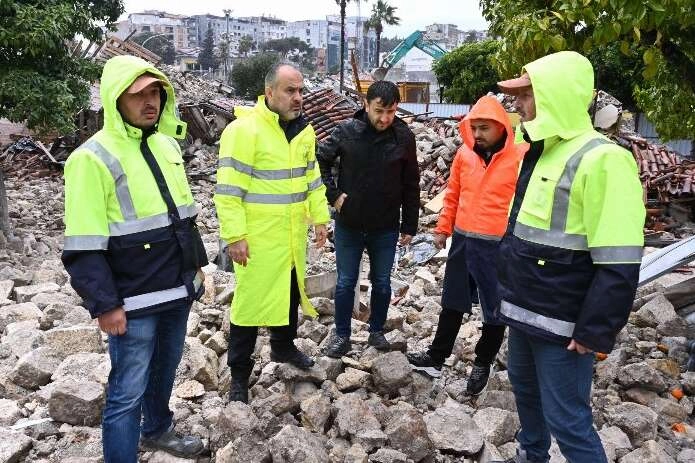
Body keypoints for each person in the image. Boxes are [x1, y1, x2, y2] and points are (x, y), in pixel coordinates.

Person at [492, 51, 645, 463]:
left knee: (568, 421)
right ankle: (532, 456)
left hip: (563, 325)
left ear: (554, 95)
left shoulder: (603, 160)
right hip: (525, 311)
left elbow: (620, 259)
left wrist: (595, 329)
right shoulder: (541, 151)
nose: (518, 104)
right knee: (525, 396)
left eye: (526, 94)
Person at [62, 55, 208, 462]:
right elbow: (83, 244)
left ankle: (158, 430)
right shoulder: (91, 159)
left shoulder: (165, 145)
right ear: (115, 100)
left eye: (155, 92)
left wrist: (196, 270)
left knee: (165, 371)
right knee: (127, 391)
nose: (150, 102)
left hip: (176, 288)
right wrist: (105, 304)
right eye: (138, 95)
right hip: (133, 300)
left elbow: (184, 216)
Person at [214, 62, 330, 403]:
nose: (298, 98)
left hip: (291, 236)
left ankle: (283, 347)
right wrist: (234, 236)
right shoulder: (244, 131)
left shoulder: (304, 132)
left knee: (290, 293)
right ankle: (238, 376)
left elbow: (313, 181)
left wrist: (320, 218)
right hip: (258, 240)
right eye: (290, 91)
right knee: (248, 307)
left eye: (301, 91)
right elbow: (228, 190)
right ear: (269, 93)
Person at [407, 95, 526, 395]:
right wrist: (442, 229)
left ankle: (482, 363)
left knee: (494, 310)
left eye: (484, 128)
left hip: (497, 247)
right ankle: (436, 357)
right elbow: (453, 195)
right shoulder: (464, 155)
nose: (477, 135)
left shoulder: (519, 158)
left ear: (501, 127)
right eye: (474, 128)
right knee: (453, 302)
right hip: (462, 241)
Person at [318, 80, 420, 357]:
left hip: (385, 226)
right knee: (345, 282)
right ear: (366, 105)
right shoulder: (347, 131)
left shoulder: (403, 137)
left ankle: (376, 331)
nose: (385, 118)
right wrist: (333, 194)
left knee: (383, 282)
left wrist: (409, 224)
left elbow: (411, 182)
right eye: (379, 111)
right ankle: (341, 336)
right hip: (349, 224)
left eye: (391, 111)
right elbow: (321, 159)